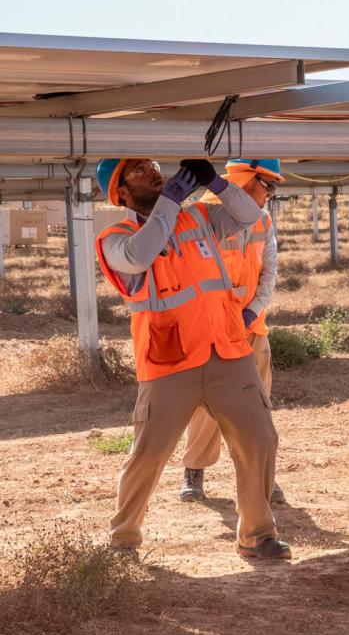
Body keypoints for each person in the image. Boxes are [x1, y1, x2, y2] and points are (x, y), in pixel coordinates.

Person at [95, 158, 289, 560]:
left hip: (228, 352)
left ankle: (257, 534)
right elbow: (139, 255)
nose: (151, 171)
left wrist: (215, 182)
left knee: (259, 440)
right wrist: (168, 202)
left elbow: (250, 215)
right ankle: (123, 540)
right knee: (149, 453)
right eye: (137, 171)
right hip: (170, 360)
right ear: (122, 194)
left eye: (150, 164)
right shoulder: (116, 236)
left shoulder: (198, 217)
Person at [179, 159, 285, 505]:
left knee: (258, 405)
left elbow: (269, 271)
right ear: (246, 179)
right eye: (267, 185)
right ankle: (194, 472)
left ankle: (263, 477)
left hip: (251, 327)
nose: (270, 194)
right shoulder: (201, 215)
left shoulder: (264, 220)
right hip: (209, 330)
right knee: (205, 405)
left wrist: (252, 311)